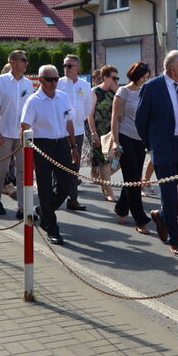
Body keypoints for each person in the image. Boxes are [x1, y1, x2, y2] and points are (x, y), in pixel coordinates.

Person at [135, 50, 178, 256]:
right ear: (174, 69)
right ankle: (175, 239)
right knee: (169, 193)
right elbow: (141, 121)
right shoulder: (152, 87)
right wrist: (152, 145)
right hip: (164, 147)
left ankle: (162, 216)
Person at [21, 64, 80, 245]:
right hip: (41, 145)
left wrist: (73, 146)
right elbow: (24, 127)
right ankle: (51, 227)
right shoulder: (33, 101)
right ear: (40, 81)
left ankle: (44, 211)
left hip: (61, 143)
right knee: (45, 188)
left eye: (56, 79)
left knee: (66, 185)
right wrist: (26, 154)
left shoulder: (62, 97)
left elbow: (69, 122)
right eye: (50, 79)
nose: (54, 83)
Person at [0, 50, 34, 218]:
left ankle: (23, 208)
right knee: (2, 169)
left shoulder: (28, 84)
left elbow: (29, 109)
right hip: (4, 132)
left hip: (22, 134)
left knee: (22, 170)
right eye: (23, 60)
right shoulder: (0, 81)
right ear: (13, 61)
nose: (26, 63)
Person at [109, 62, 153, 234]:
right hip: (125, 137)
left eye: (148, 77)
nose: (146, 79)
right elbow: (115, 118)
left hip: (140, 139)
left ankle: (121, 209)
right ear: (136, 75)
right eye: (144, 76)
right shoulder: (123, 92)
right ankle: (140, 219)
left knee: (132, 177)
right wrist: (115, 141)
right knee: (134, 179)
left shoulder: (146, 91)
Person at [58, 54, 94, 211]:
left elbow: (87, 107)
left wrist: (79, 121)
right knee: (58, 165)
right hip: (59, 131)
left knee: (75, 166)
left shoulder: (85, 86)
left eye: (69, 66)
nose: (66, 69)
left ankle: (73, 199)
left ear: (77, 68)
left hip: (78, 131)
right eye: (64, 66)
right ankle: (57, 197)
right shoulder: (58, 83)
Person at [89, 64, 119, 202]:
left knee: (120, 159)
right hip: (100, 132)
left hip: (114, 131)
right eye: (113, 78)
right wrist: (93, 133)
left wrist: (117, 90)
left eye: (117, 78)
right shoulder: (95, 91)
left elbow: (122, 110)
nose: (116, 81)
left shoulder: (116, 92)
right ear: (105, 77)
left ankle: (104, 180)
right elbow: (90, 115)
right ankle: (109, 192)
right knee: (105, 162)